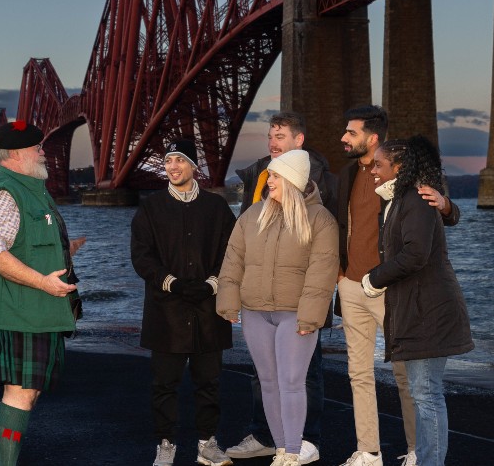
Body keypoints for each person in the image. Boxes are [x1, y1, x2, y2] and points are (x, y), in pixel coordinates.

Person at [0, 121, 86, 466]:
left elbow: (23, 242)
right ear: (15, 155)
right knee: (21, 392)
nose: (43, 151)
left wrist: (64, 248)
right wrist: (44, 282)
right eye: (36, 147)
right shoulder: (5, 190)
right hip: (16, 310)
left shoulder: (29, 187)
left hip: (29, 310)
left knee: (27, 391)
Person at [336, 106, 460, 466]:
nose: (344, 138)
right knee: (358, 372)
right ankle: (368, 451)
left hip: (391, 287)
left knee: (409, 379)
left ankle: (415, 452)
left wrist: (448, 205)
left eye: (351, 132)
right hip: (351, 285)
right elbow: (336, 224)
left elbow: (439, 215)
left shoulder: (403, 178)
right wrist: (338, 275)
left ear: (372, 139)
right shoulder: (346, 176)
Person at [217, 149, 339, 466]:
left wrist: (311, 317)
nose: (268, 181)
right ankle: (282, 450)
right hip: (254, 311)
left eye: (275, 176)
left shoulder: (320, 219)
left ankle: (295, 451)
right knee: (268, 382)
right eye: (269, 175)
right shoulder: (251, 216)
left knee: (291, 381)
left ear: (293, 180)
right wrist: (228, 301)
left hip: (295, 313)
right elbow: (233, 262)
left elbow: (322, 272)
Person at [362, 136, 474, 466]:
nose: (373, 170)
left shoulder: (414, 198)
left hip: (429, 312)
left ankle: (430, 462)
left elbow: (415, 255)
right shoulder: (402, 199)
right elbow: (443, 222)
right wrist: (448, 207)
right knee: (423, 393)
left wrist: (374, 279)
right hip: (418, 309)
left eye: (379, 165)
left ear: (399, 167)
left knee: (426, 394)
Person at [130, 138, 236, 466]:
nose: (173, 167)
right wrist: (170, 282)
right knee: (164, 383)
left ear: (194, 167)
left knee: (210, 382)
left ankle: (207, 444)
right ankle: (166, 444)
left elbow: (232, 252)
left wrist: (213, 283)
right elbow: (141, 256)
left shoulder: (216, 208)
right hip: (167, 308)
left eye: (179, 160)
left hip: (208, 307)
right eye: (168, 162)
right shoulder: (150, 207)